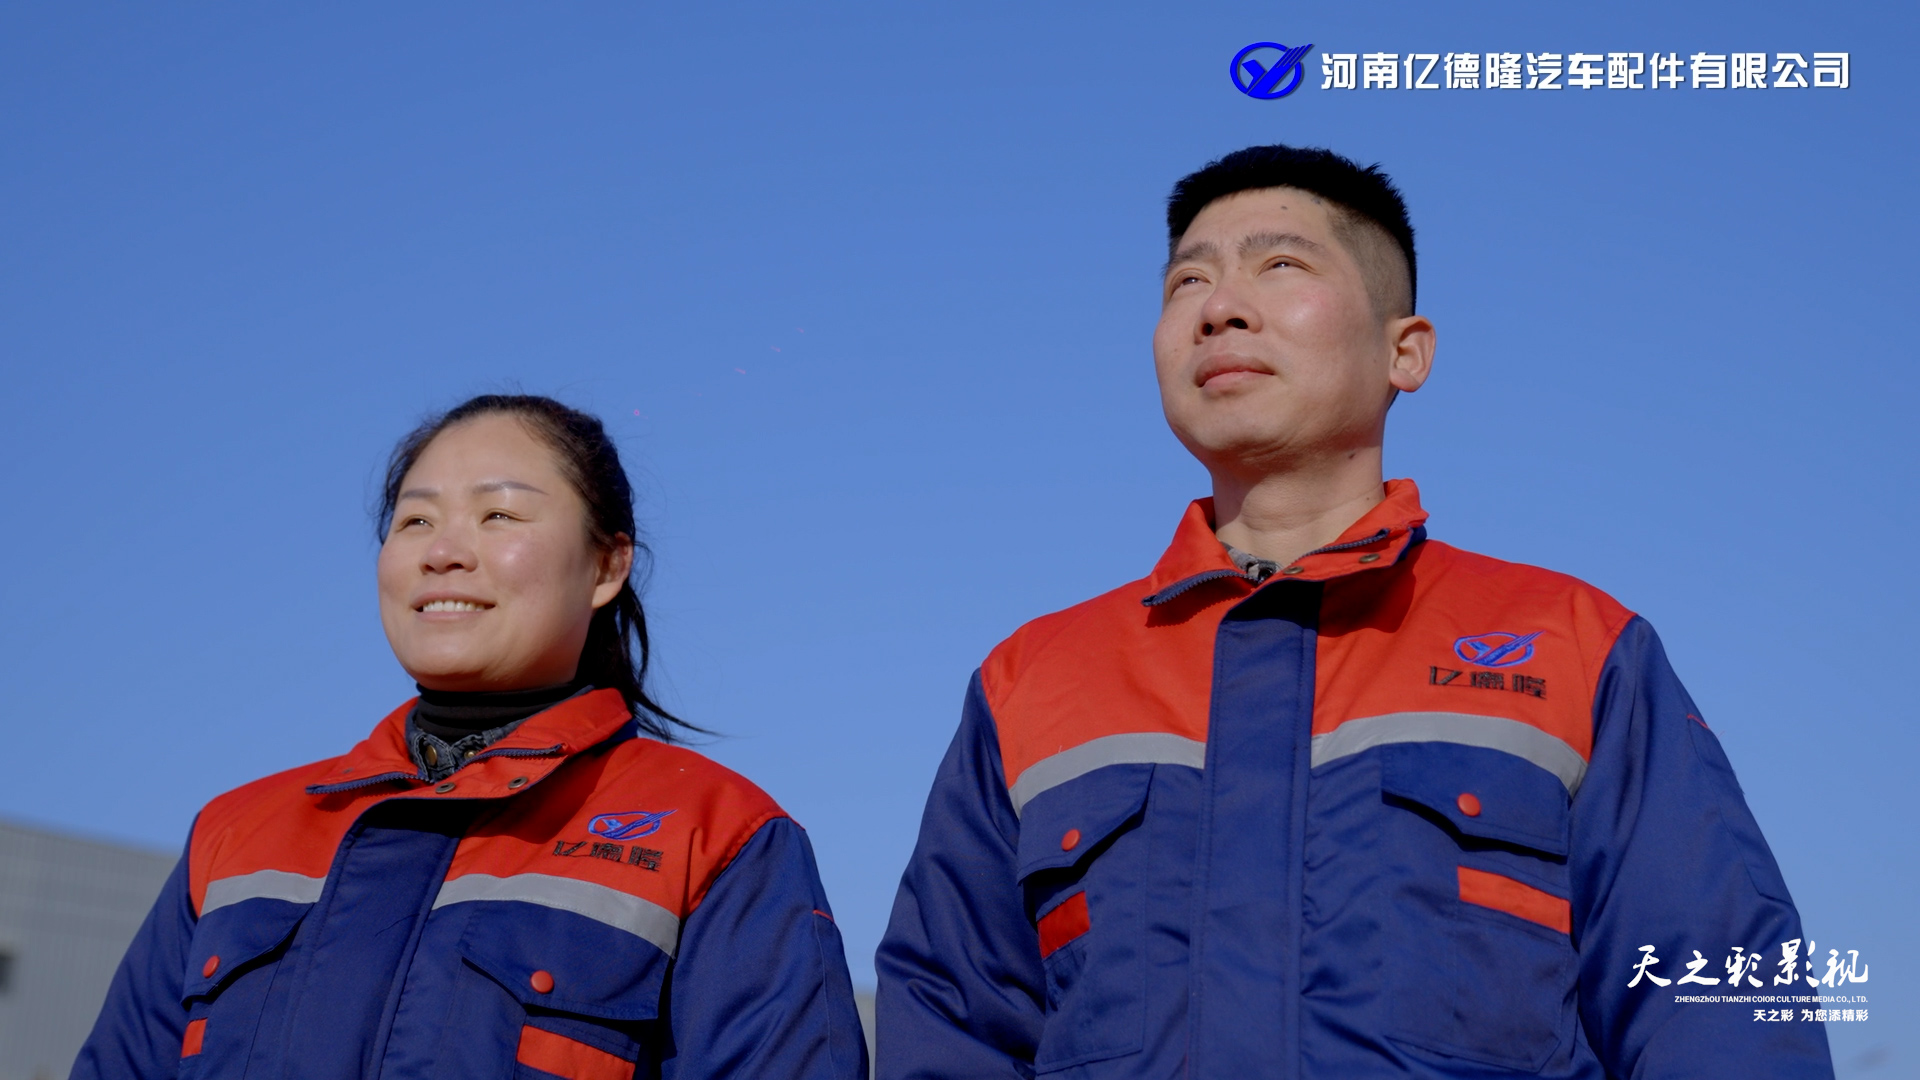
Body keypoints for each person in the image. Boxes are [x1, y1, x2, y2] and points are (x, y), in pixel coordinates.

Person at [875, 146, 1834, 1078]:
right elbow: (953, 1025)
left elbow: (1720, 1004)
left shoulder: (1576, 646)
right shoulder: (1032, 683)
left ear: (1404, 351)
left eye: (1280, 266)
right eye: (1187, 283)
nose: (1219, 308)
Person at [76, 394, 868, 1080]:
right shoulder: (233, 837)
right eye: (415, 520)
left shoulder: (717, 835)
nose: (444, 553)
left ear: (606, 565)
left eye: (498, 516)